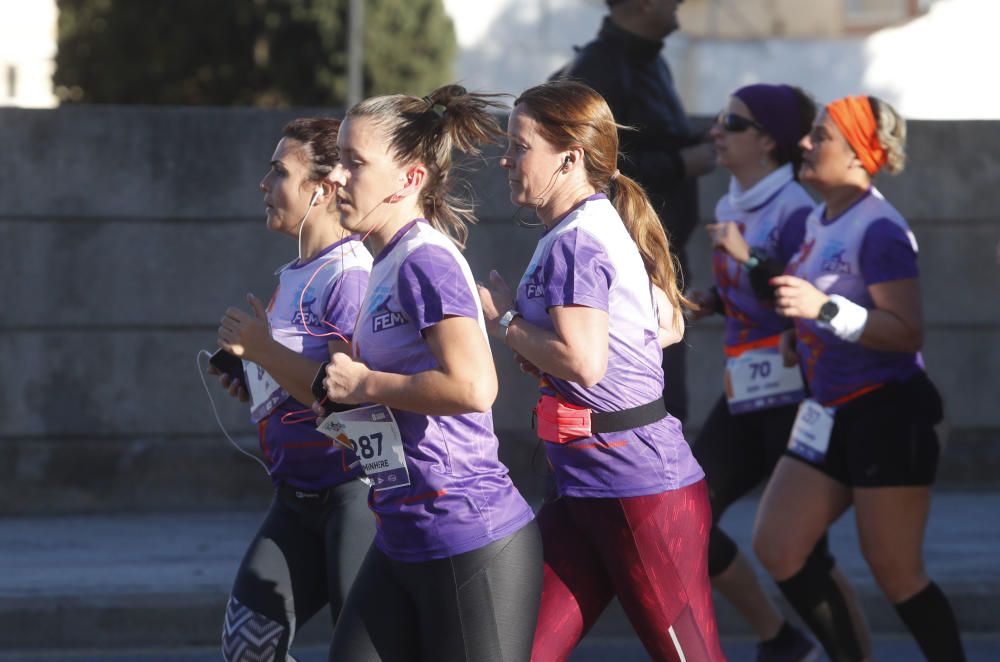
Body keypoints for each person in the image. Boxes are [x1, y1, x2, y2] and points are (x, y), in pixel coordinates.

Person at [479, 79, 724, 662]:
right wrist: (542, 349)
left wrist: (506, 320)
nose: (506, 160)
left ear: (570, 158)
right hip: (585, 489)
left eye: (519, 146)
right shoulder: (586, 225)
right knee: (513, 652)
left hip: (638, 492)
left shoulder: (577, 240)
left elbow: (586, 362)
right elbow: (661, 326)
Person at [317, 84, 542, 661]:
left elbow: (474, 387)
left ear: (409, 179)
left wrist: (364, 384)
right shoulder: (385, 261)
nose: (335, 177)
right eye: (337, 159)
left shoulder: (426, 261)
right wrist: (346, 403)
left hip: (466, 536)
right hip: (400, 533)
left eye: (354, 162)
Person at [752, 95, 966, 662]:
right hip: (829, 411)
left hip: (891, 414)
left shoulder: (880, 229)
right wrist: (801, 332)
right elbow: (827, 307)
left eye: (821, 136)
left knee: (897, 573)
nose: (805, 143)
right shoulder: (820, 218)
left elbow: (906, 332)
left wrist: (822, 311)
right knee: (778, 546)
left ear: (858, 154)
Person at [688, 84, 871, 662]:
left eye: (731, 123)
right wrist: (711, 300)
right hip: (744, 389)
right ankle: (780, 638)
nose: (715, 131)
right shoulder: (732, 205)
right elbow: (747, 294)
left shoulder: (795, 207)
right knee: (684, 517)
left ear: (768, 140)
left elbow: (801, 294)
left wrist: (749, 259)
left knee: (800, 552)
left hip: (796, 392)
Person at [209, 117, 375, 661]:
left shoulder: (350, 274)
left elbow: (351, 403)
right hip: (296, 501)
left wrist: (264, 353)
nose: (264, 183)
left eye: (279, 171)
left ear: (322, 190)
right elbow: (298, 377)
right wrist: (256, 375)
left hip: (354, 496)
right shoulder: (298, 271)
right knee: (247, 648)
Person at [552, 0, 716, 423]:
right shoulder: (599, 68)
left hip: (658, 256)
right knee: (634, 405)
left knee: (666, 401)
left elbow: (653, 139)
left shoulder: (650, 61)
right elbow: (593, 163)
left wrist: (696, 143)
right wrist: (680, 163)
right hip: (624, 261)